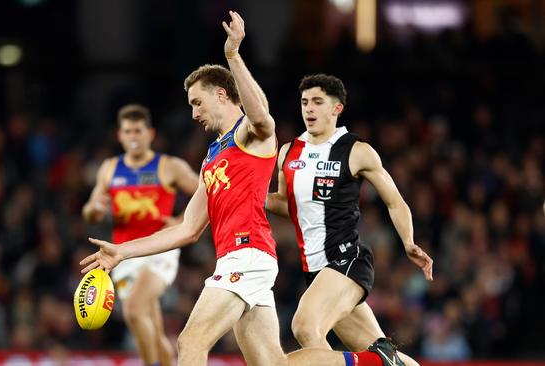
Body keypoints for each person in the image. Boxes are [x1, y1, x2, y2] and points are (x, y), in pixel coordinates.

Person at [81, 11, 404, 366]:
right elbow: (187, 229)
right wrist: (121, 252)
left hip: (246, 255)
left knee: (190, 343)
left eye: (197, 102)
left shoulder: (247, 134)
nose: (193, 114)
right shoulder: (211, 159)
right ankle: (376, 361)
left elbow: (264, 118)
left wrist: (233, 56)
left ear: (221, 94)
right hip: (243, 259)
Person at [265, 73, 434, 366]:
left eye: (318, 102)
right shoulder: (288, 152)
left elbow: (395, 201)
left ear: (337, 108)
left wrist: (408, 241)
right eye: (305, 102)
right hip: (316, 272)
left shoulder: (357, 151)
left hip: (347, 261)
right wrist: (251, 197)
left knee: (305, 327)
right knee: (384, 356)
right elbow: (286, 204)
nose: (309, 109)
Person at [82, 104, 199, 366]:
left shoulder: (169, 167)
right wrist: (94, 209)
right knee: (152, 331)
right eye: (127, 131)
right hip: (122, 255)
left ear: (150, 134)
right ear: (120, 136)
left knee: (134, 310)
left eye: (138, 130)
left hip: (160, 249)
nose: (133, 136)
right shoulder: (109, 169)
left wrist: (181, 220)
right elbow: (90, 210)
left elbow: (209, 193)